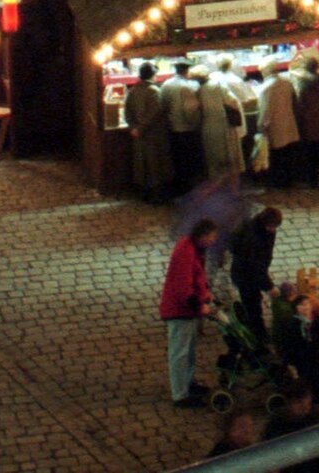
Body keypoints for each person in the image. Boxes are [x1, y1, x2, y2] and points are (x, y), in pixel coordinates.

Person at [160, 216, 218, 407]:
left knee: (189, 351)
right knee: (180, 352)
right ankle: (180, 394)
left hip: (188, 311)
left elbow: (197, 276)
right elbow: (183, 288)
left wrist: (206, 292)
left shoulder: (195, 248)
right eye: (212, 237)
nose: (214, 240)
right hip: (180, 311)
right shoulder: (186, 252)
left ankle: (188, 383)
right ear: (203, 236)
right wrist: (199, 305)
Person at [227, 205, 280, 340]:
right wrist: (269, 287)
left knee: (252, 301)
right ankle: (258, 335)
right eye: (273, 227)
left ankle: (255, 329)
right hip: (245, 276)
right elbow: (256, 268)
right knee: (253, 305)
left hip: (243, 272)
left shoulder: (257, 228)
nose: (274, 230)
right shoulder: (253, 240)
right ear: (266, 224)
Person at [124, 65, 174, 202]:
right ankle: (157, 196)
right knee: (155, 164)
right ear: (153, 75)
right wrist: (140, 128)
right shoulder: (153, 90)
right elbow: (155, 113)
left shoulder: (133, 90)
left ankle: (143, 193)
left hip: (139, 135)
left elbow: (127, 112)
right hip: (153, 134)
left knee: (142, 165)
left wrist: (133, 127)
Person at [162, 60, 206, 192]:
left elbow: (163, 105)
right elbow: (190, 110)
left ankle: (177, 186)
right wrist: (197, 125)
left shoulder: (166, 84)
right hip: (186, 129)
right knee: (188, 160)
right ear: (187, 71)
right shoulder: (187, 86)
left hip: (171, 128)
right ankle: (188, 188)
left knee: (176, 159)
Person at [196, 66, 244, 181]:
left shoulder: (198, 91)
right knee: (230, 160)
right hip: (224, 126)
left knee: (213, 161)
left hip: (207, 128)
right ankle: (234, 190)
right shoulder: (218, 86)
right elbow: (233, 102)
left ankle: (219, 189)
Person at [260, 60, 302, 188]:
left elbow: (266, 109)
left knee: (277, 156)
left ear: (266, 71)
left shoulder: (267, 87)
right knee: (288, 154)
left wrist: (261, 125)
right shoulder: (287, 82)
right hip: (289, 123)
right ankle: (290, 180)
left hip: (275, 126)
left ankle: (280, 182)